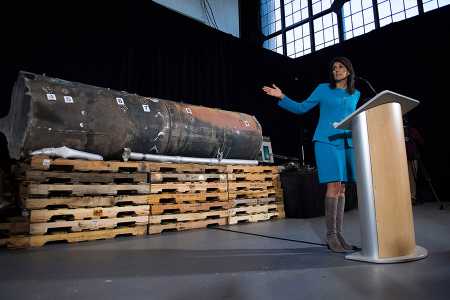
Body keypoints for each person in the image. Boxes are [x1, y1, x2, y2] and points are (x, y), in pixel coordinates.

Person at [262, 57, 360, 253]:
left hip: (347, 142)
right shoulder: (323, 89)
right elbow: (301, 108)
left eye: (341, 67)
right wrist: (282, 96)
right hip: (326, 141)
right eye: (334, 67)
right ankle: (331, 236)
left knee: (342, 189)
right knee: (333, 186)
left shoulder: (355, 94)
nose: (337, 70)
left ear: (349, 71)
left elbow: (353, 118)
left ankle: (339, 234)